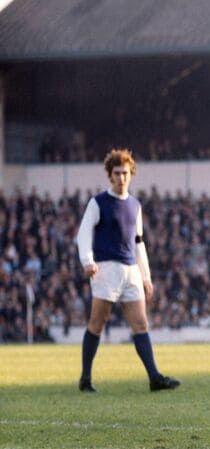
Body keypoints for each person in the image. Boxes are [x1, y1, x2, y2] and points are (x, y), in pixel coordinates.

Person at [76, 149, 180, 393]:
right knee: (97, 323)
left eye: (125, 173)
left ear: (131, 174)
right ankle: (85, 378)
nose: (121, 178)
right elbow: (84, 233)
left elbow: (138, 242)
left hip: (131, 270)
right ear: (110, 175)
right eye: (117, 173)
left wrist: (146, 276)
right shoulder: (98, 202)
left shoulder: (135, 205)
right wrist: (87, 261)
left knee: (141, 324)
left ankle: (154, 378)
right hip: (106, 269)